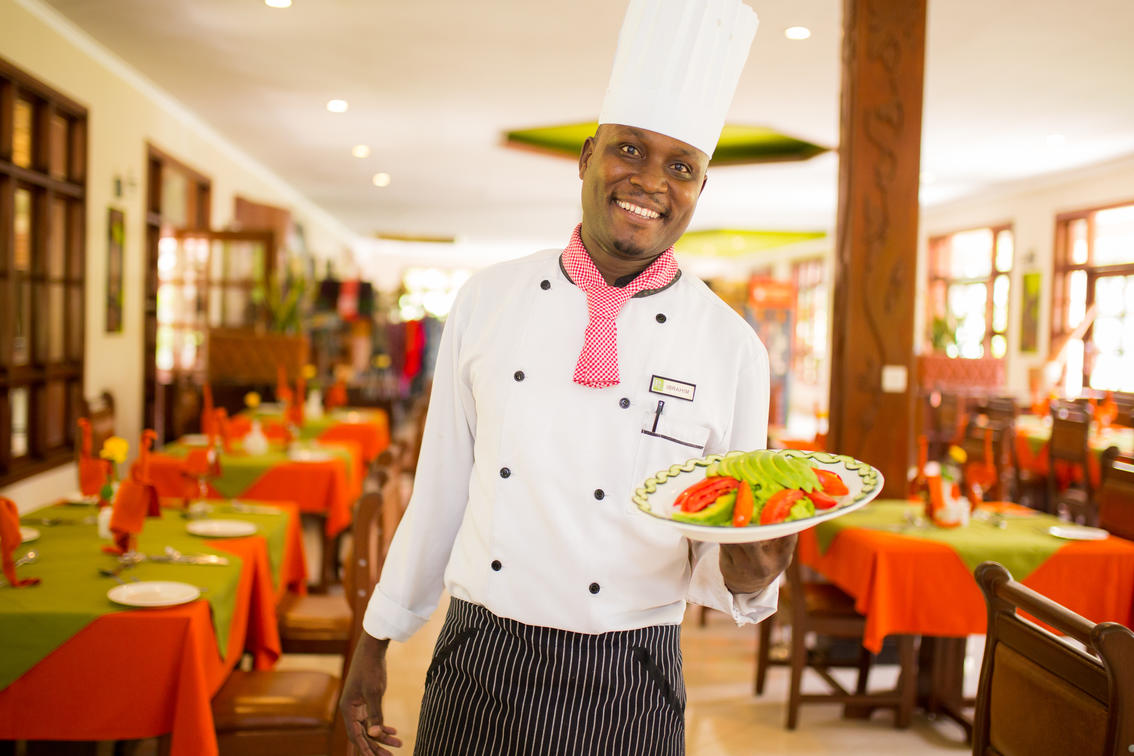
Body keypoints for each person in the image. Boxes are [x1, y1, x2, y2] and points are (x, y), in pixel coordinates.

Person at [341, 1, 794, 753]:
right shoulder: (487, 299)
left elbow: (724, 556)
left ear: (700, 190)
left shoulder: (733, 349)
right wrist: (376, 636)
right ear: (587, 157)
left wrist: (752, 571)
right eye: (629, 149)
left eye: (681, 166)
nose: (650, 180)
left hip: (634, 676)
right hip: (480, 661)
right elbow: (440, 492)